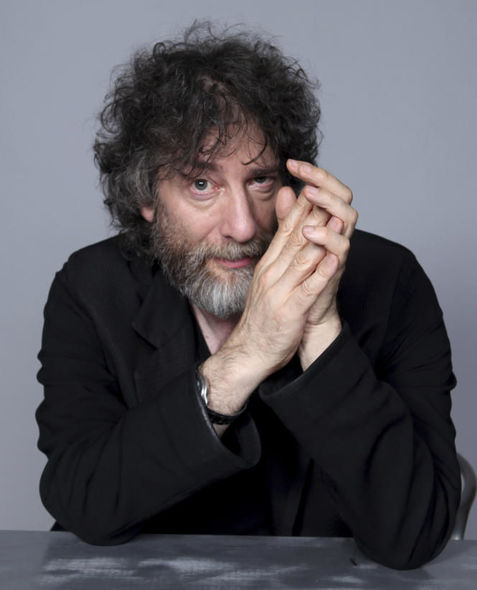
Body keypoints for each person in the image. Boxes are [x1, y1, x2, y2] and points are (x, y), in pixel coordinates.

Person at [36, 23, 460, 570]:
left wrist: (321, 331)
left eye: (260, 180)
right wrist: (244, 358)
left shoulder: (389, 281)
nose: (241, 226)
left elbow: (414, 536)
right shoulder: (93, 289)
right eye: (201, 184)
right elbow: (83, 502)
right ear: (146, 196)